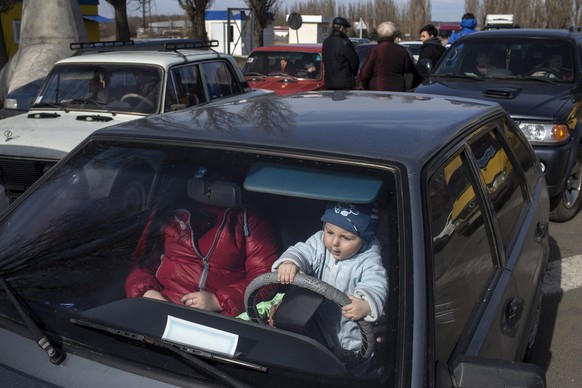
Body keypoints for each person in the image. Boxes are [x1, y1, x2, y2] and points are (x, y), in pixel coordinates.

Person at [125, 173, 280, 317]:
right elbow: (142, 260)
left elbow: (265, 278)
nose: (208, 185)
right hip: (160, 307)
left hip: (213, 318)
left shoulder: (250, 219)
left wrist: (218, 301)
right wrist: (148, 293)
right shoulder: (168, 211)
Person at [273, 202, 388, 365]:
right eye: (329, 231)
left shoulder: (369, 258)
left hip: (350, 342)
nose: (334, 242)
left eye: (346, 237)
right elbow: (302, 251)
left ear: (364, 238)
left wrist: (367, 304)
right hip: (312, 330)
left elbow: (375, 281)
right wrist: (291, 262)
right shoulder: (319, 242)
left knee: (354, 372)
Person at [359, 21, 413, 92]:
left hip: (378, 87)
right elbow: (408, 68)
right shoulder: (402, 50)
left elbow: (364, 73)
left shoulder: (376, 50)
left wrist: (364, 85)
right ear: (394, 34)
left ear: (380, 34)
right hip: (398, 88)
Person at [322, 17, 359, 90]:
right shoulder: (345, 43)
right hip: (344, 83)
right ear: (341, 28)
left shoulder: (326, 42)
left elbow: (325, 60)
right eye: (346, 28)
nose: (347, 31)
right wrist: (353, 74)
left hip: (329, 82)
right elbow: (354, 62)